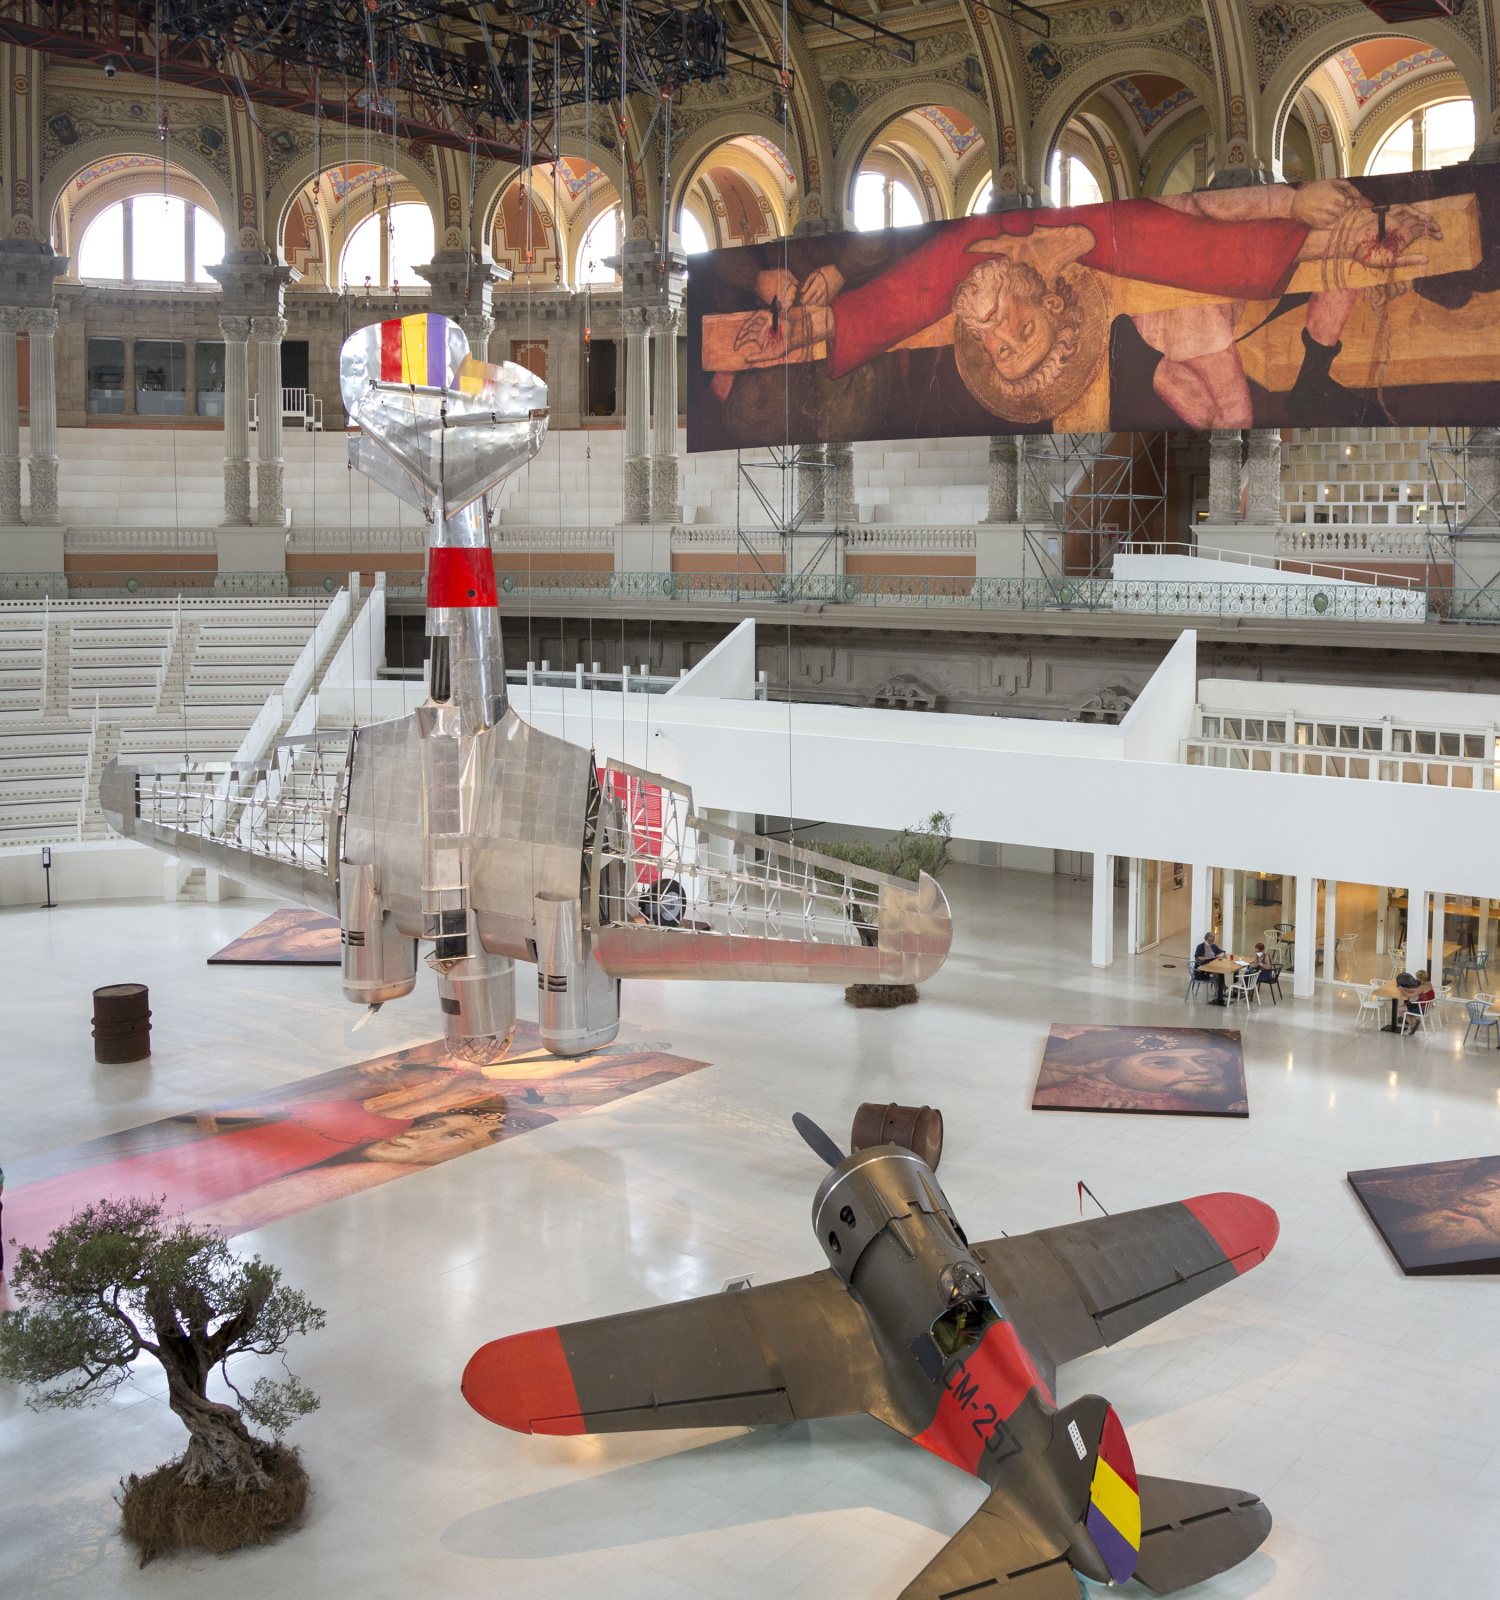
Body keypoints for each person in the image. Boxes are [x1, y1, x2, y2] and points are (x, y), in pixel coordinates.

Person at [727, 179, 1443, 429]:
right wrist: (1329, 217)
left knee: (1245, 393)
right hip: (1203, 319)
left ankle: (1301, 376)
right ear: (1052, 306)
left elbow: (910, 297)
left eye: (1003, 345)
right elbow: (1219, 237)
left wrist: (810, 326)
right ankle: (1284, 380)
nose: (1000, 330)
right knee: (1239, 414)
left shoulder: (989, 249)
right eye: (1023, 333)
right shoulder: (1098, 253)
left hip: (1221, 307)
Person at [1194, 930, 1227, 1005]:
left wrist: (1220, 954)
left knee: (1219, 970)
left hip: (1212, 964)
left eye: (1212, 941)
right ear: (1206, 939)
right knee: (1216, 972)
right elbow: (1198, 957)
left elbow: (1222, 952)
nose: (1210, 942)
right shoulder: (1200, 947)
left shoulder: (1214, 946)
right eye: (1209, 940)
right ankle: (1221, 988)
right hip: (1203, 966)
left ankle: (1220, 989)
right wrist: (1207, 957)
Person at [1402, 969, 1437, 1033]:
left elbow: (1411, 996)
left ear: (1420, 978)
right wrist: (1408, 990)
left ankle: (1413, 1025)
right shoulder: (1429, 983)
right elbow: (1418, 990)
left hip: (1422, 1009)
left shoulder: (1422, 987)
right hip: (1427, 1008)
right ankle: (1415, 1021)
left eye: (1417, 977)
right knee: (1405, 1005)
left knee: (1400, 1009)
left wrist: (1403, 991)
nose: (1416, 979)